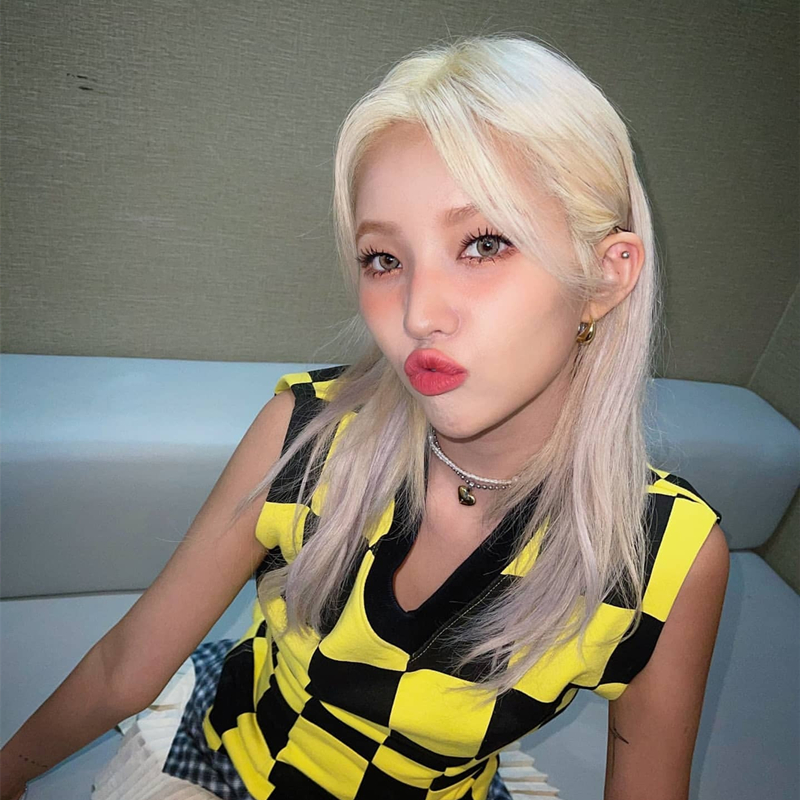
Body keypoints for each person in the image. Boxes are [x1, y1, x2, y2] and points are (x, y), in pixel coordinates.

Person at [0, 33, 729, 800]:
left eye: (484, 244)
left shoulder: (667, 560)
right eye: (385, 259)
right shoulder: (306, 435)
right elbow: (127, 666)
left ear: (605, 278)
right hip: (230, 764)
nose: (417, 314)